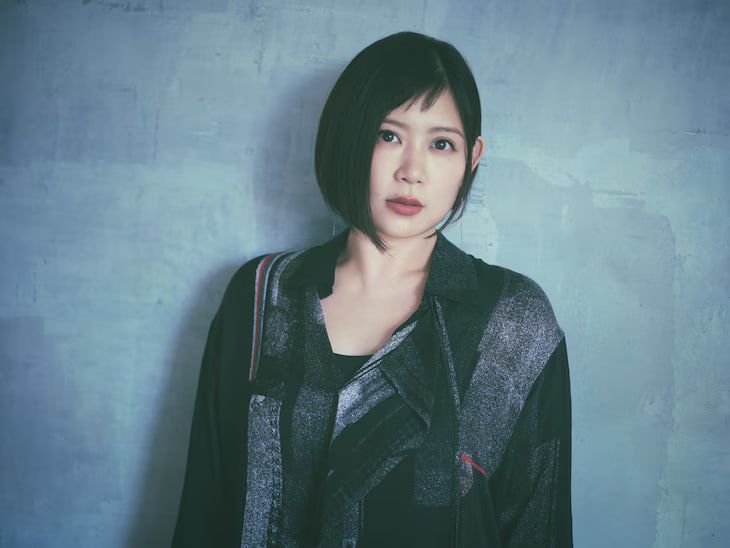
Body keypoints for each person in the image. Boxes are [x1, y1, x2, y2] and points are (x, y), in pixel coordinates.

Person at [171, 31, 572, 547]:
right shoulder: (263, 297)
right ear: (349, 137)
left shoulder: (512, 323)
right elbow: (205, 505)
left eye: (441, 143)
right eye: (388, 135)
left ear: (472, 157)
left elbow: (540, 529)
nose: (412, 172)